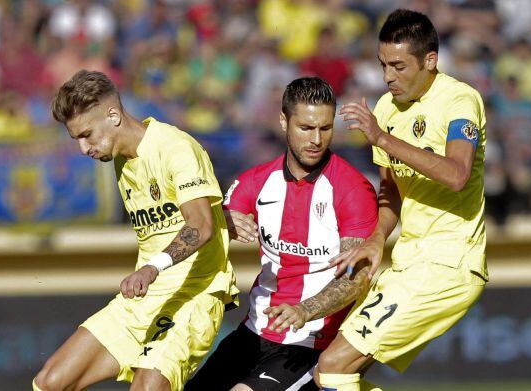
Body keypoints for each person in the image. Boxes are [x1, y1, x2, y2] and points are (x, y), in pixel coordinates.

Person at [314, 9, 489, 390]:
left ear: (430, 60)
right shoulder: (386, 110)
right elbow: (391, 189)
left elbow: (457, 175)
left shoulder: (460, 101)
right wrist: (377, 238)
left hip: (448, 263)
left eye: (398, 66)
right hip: (407, 262)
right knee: (342, 372)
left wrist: (383, 139)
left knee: (332, 367)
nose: (388, 77)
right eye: (382, 65)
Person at [33, 70, 238, 391]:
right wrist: (223, 217)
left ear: (113, 115)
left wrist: (151, 269)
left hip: (193, 296)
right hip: (144, 299)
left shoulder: (175, 147)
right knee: (50, 382)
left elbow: (199, 225)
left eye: (87, 134)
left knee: (146, 387)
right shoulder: (119, 157)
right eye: (76, 139)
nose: (83, 149)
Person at [185, 77, 378, 391]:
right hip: (253, 333)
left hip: (310, 343)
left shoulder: (353, 189)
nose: (316, 139)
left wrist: (305, 309)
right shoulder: (256, 181)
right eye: (305, 128)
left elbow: (357, 276)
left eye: (325, 128)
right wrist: (222, 220)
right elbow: (201, 228)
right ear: (283, 122)